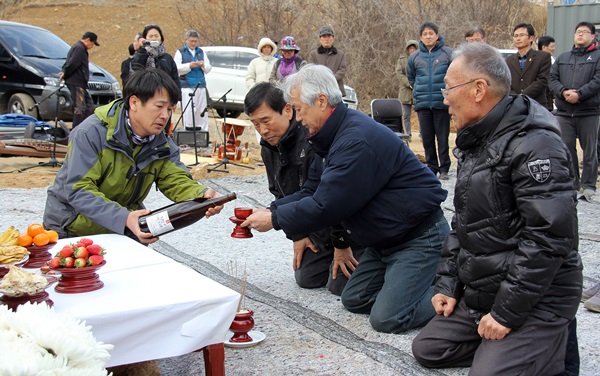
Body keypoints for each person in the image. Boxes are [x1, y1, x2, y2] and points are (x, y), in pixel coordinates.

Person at [411, 42, 582, 376]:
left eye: (448, 87)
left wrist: (506, 313)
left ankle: (551, 342)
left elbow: (548, 239)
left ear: (478, 89)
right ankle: (505, 343)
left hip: (540, 295)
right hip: (488, 287)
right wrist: (448, 285)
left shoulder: (535, 143)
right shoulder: (479, 136)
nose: (444, 98)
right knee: (428, 349)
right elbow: (463, 222)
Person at [241, 64, 449, 333]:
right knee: (354, 298)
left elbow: (327, 205)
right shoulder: (327, 137)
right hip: (384, 240)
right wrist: (272, 209)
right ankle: (407, 284)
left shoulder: (354, 140)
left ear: (322, 101)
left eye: (300, 110)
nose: (299, 118)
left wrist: (275, 219)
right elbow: (311, 191)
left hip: (417, 235)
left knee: (387, 318)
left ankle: (457, 295)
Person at [43, 68, 224, 245]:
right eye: (159, 107)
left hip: (124, 226)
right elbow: (79, 190)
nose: (165, 116)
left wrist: (201, 195)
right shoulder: (90, 133)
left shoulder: (162, 144)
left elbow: (175, 179)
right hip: (71, 228)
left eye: (170, 109)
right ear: (134, 103)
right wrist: (124, 217)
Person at [244, 82, 362, 295]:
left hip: (340, 219)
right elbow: (279, 192)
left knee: (341, 286)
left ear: (288, 110)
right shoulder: (268, 147)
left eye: (266, 121)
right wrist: (297, 234)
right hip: (311, 219)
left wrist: (341, 243)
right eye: (255, 124)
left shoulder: (312, 137)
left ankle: (363, 252)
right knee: (307, 278)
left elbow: (336, 198)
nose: (263, 130)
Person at [549, 21, 600, 202]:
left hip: (588, 111)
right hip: (565, 112)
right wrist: (563, 92)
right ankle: (572, 182)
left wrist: (580, 94)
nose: (580, 35)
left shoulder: (597, 56)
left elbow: (597, 81)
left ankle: (588, 186)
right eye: (578, 32)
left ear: (593, 36)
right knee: (566, 148)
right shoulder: (563, 58)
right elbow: (552, 79)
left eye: (585, 32)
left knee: (589, 151)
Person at [407, 22, 453, 180]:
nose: (428, 36)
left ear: (437, 35)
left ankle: (445, 167)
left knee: (442, 137)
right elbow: (411, 78)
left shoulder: (447, 53)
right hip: (423, 103)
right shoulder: (414, 57)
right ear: (420, 37)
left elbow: (453, 76)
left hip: (442, 102)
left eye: (431, 33)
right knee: (427, 137)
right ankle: (431, 166)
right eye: (425, 34)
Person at [505, 23, 552, 110]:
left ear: (531, 38)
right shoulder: (508, 60)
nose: (518, 38)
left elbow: (542, 81)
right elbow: (506, 83)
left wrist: (522, 96)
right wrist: (516, 98)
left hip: (537, 105)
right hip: (515, 106)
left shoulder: (543, 57)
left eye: (522, 35)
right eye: (515, 36)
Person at [174, 30, 212, 131]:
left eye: (195, 41)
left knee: (201, 110)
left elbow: (208, 68)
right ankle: (188, 131)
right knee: (189, 111)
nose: (193, 43)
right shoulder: (180, 52)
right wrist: (189, 66)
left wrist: (203, 65)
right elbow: (176, 67)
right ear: (186, 40)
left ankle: (203, 132)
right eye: (191, 41)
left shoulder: (201, 52)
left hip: (200, 85)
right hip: (187, 85)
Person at [60, 31, 99, 128]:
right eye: (93, 43)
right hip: (76, 83)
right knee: (80, 108)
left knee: (89, 105)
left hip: (80, 83)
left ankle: (83, 127)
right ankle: (77, 130)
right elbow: (72, 64)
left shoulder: (79, 48)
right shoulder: (79, 48)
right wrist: (65, 74)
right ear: (88, 40)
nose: (92, 46)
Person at [131, 24, 181, 99]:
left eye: (156, 36)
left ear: (161, 38)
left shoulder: (167, 58)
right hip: (145, 96)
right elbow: (135, 69)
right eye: (150, 36)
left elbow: (175, 79)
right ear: (145, 38)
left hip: (164, 96)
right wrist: (143, 48)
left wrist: (177, 98)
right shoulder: (141, 54)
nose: (154, 38)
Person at [308, 26, 348, 97]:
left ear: (333, 39)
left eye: (329, 36)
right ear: (320, 39)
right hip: (318, 90)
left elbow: (342, 70)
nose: (326, 39)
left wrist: (331, 79)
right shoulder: (313, 54)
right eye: (324, 36)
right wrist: (322, 80)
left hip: (336, 89)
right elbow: (311, 70)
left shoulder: (340, 54)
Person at [395, 40, 418, 141]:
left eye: (414, 48)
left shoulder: (421, 58)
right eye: (410, 48)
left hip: (418, 88)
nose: (412, 50)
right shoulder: (402, 60)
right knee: (406, 115)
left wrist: (417, 83)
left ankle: (423, 134)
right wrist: (408, 83)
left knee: (422, 113)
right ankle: (408, 134)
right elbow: (399, 73)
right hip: (405, 90)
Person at [538, 35, 557, 112]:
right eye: (552, 46)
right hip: (543, 100)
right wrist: (554, 96)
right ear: (544, 47)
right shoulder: (542, 61)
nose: (554, 49)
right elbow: (549, 80)